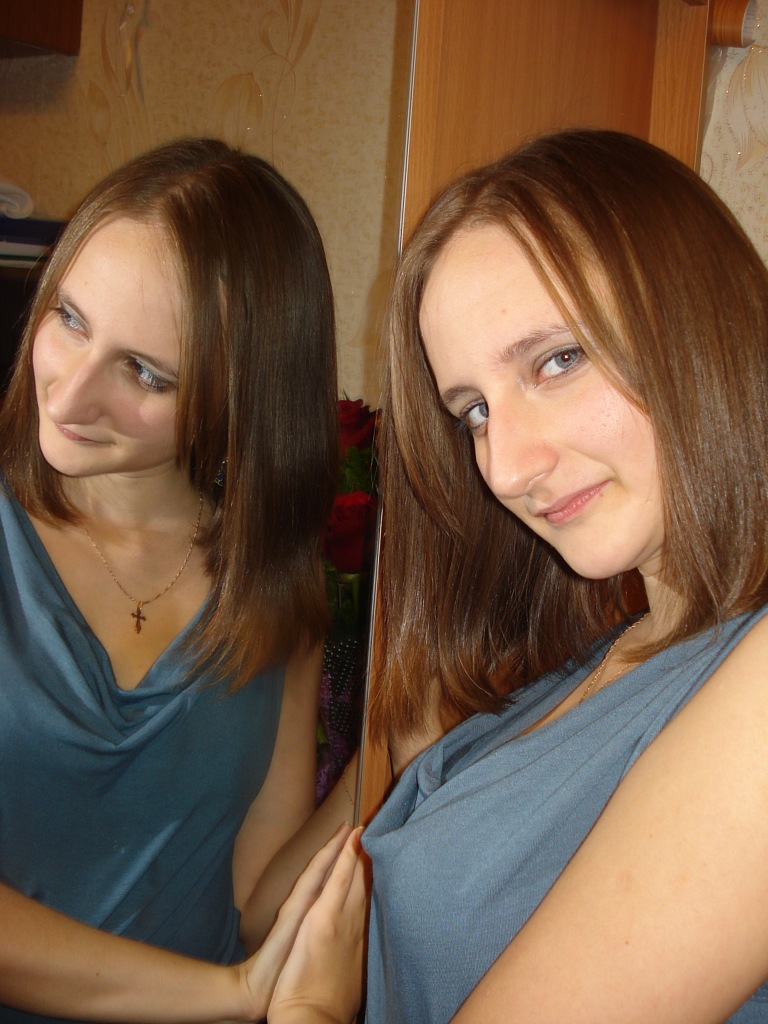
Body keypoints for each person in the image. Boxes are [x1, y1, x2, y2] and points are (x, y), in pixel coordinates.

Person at [268, 129, 768, 1023]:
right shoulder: (614, 654)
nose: (503, 468)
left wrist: (308, 1007)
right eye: (473, 411)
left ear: (699, 320)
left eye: (557, 360)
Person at [0, 136, 357, 1023]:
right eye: (70, 318)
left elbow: (255, 898)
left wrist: (401, 747)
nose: (68, 395)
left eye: (145, 372)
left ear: (243, 398)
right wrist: (231, 997)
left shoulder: (274, 588)